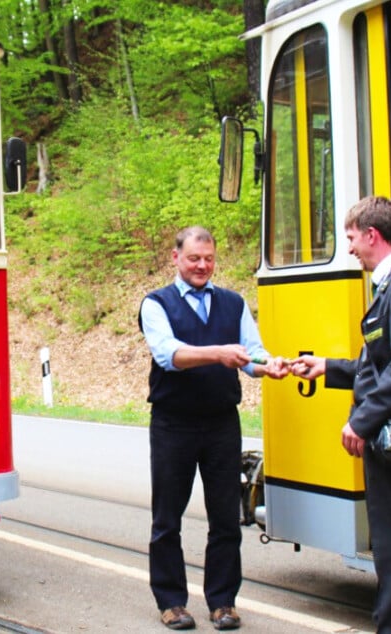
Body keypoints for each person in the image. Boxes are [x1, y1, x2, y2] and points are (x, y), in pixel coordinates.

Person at [291, 196, 391, 634]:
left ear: (372, 235)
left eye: (352, 237)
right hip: (387, 426)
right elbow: (381, 362)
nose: (350, 247)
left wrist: (363, 419)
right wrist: (327, 368)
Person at [139, 226, 289, 631]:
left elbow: (252, 354)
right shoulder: (155, 304)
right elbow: (170, 355)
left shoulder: (233, 303)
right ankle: (171, 602)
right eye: (193, 259)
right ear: (175, 259)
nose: (202, 266)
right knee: (167, 517)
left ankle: (223, 601)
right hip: (174, 425)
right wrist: (219, 353)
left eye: (208, 259)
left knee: (225, 518)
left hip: (222, 423)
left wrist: (268, 367)